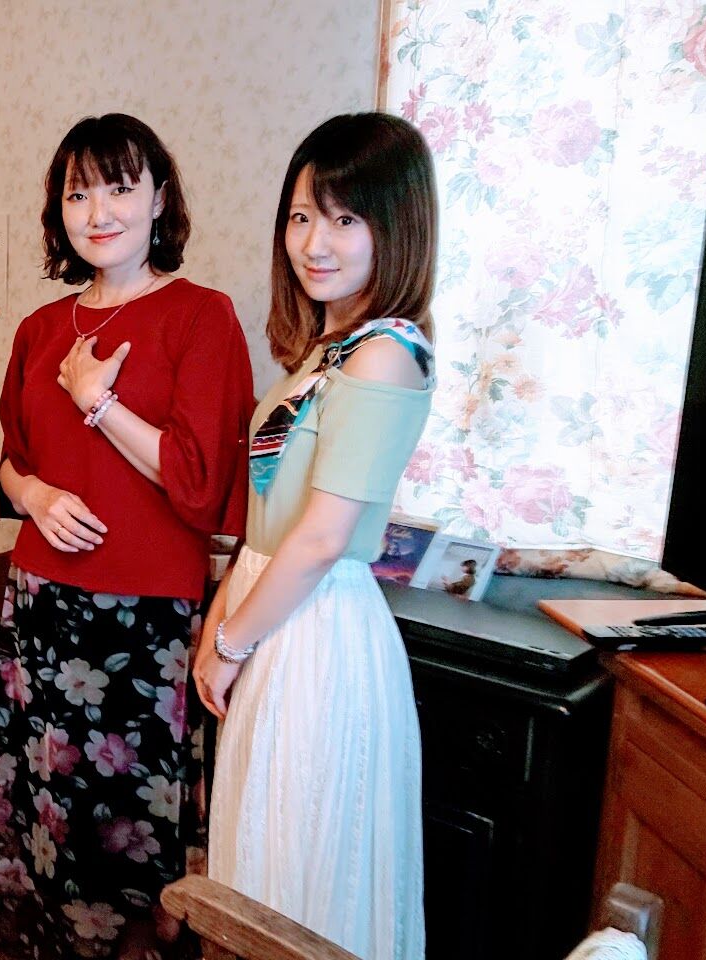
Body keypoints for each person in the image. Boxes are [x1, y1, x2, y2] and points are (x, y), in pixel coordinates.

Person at [0, 114, 254, 960]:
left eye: (121, 189)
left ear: (160, 198)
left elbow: (200, 484)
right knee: (45, 805)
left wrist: (96, 400)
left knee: (135, 820)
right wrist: (34, 492)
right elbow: (9, 467)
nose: (99, 213)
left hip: (148, 617)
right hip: (40, 605)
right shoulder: (38, 327)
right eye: (78, 194)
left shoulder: (203, 317)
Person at [195, 112, 438, 960]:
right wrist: (223, 624)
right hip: (278, 613)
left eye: (344, 218)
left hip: (318, 629)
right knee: (267, 850)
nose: (313, 243)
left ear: (395, 227)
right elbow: (271, 521)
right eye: (301, 216)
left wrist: (230, 638)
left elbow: (324, 536)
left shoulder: (386, 354)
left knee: (303, 864)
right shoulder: (331, 349)